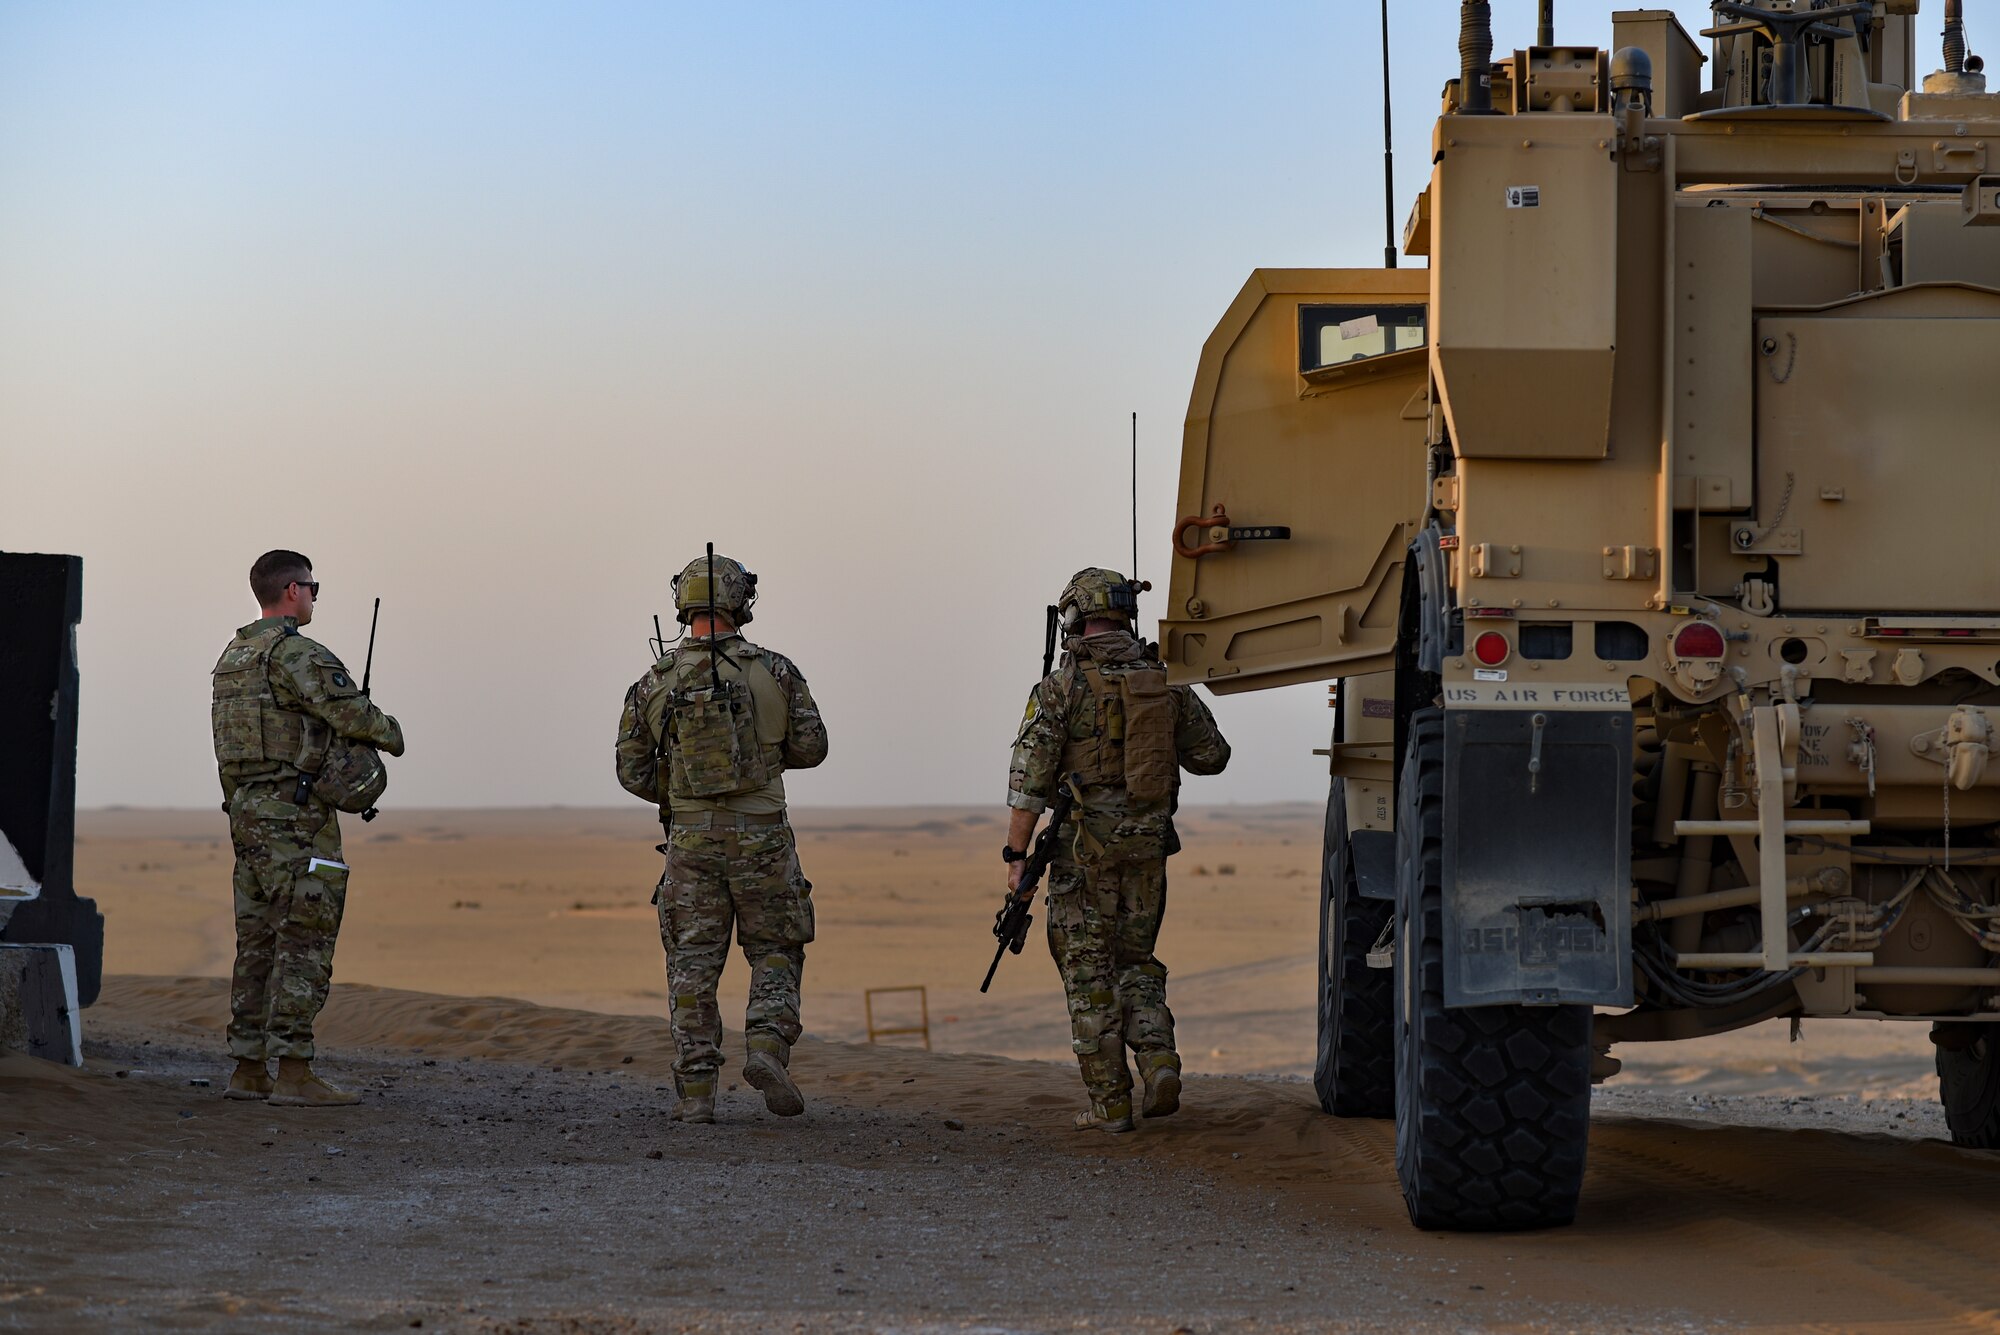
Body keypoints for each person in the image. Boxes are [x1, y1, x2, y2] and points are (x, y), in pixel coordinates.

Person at [1004, 567, 1230, 1133]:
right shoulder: (1165, 682)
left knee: (1088, 974)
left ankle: (1110, 1104)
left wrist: (1015, 862)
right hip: (1149, 849)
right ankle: (1158, 1061)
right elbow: (1212, 756)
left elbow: (1029, 783)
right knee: (1137, 963)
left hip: (1084, 854)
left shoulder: (1062, 688)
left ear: (1075, 617)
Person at [616, 552, 828, 1124]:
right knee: (777, 949)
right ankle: (766, 1048)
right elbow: (813, 747)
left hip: (690, 844)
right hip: (764, 838)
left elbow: (631, 771)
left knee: (691, 964)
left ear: (682, 604)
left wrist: (683, 790)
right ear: (741, 601)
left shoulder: (653, 683)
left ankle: (696, 1096)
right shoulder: (777, 670)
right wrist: (763, 758)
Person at [210, 550, 404, 1107]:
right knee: (305, 942)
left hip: (247, 814)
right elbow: (355, 717)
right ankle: (294, 1072)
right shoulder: (297, 654)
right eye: (313, 587)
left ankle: (248, 1068)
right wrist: (392, 733)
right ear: (292, 590)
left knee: (257, 942)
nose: (315, 596)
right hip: (296, 818)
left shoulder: (233, 658)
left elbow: (227, 749)